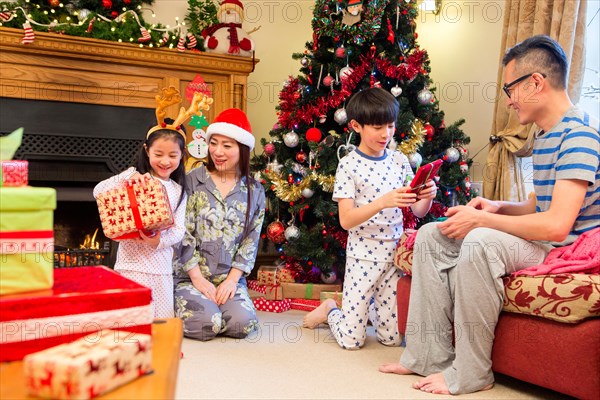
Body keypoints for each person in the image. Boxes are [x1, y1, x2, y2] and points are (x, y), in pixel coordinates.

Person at [379, 35, 600, 395]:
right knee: (433, 236)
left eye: (511, 88)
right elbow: (539, 206)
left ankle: (471, 372)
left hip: (567, 249)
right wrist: (496, 206)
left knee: (481, 242)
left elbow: (558, 225)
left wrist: (484, 221)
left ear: (536, 83)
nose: (509, 100)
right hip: (548, 239)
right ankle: (425, 355)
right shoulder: (546, 136)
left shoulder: (579, 136)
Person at [303, 87, 437, 349]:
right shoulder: (349, 165)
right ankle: (332, 309)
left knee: (391, 340)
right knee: (352, 341)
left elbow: (419, 211)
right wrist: (382, 202)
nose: (385, 134)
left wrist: (427, 196)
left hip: (393, 255)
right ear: (356, 125)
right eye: (377, 127)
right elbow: (346, 220)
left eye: (390, 126)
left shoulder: (399, 160)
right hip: (362, 255)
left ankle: (365, 312)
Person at [174, 108, 265, 341]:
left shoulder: (254, 190)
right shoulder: (193, 180)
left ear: (242, 149)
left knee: (243, 325)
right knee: (207, 324)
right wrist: (197, 278)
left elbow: (251, 240)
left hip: (229, 278)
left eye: (227, 145)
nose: (217, 151)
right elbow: (182, 233)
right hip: (190, 276)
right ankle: (201, 309)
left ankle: (218, 307)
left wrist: (232, 281)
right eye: (213, 143)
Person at [93, 118, 188, 319]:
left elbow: (179, 230)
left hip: (160, 267)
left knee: (161, 320)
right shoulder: (134, 179)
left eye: (172, 155)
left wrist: (158, 241)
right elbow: (98, 191)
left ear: (182, 155)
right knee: (130, 317)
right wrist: (128, 176)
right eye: (158, 154)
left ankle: (161, 350)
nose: (165, 161)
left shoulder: (179, 191)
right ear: (147, 151)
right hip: (130, 265)